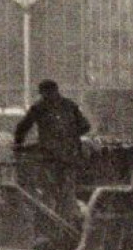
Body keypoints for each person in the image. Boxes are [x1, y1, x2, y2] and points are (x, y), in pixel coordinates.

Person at [13, 79, 91, 224]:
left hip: (49, 157)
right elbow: (86, 126)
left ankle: (52, 222)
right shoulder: (70, 105)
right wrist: (70, 136)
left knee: (49, 190)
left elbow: (22, 128)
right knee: (67, 190)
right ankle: (69, 220)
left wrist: (18, 144)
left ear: (43, 93)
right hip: (70, 156)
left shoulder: (39, 107)